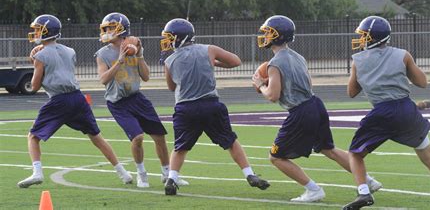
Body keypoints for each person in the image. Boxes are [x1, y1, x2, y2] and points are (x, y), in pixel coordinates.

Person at [252, 15, 381, 203]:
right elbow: (306, 83)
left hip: (300, 111)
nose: (264, 35)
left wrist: (260, 84)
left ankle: (313, 190)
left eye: (268, 32)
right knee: (329, 149)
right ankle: (368, 180)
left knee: (276, 157)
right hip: (315, 104)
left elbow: (272, 95)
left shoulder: (274, 63)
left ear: (277, 35)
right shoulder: (298, 57)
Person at [343, 16, 430, 210]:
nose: (361, 39)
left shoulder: (358, 60)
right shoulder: (403, 54)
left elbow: (351, 92)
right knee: (428, 156)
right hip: (405, 109)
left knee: (355, 154)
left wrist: (367, 70)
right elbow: (422, 82)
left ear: (373, 37)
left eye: (364, 36)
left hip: (381, 113)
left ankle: (364, 193)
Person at [18, 14, 133, 188]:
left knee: (33, 137)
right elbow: (58, 63)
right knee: (96, 137)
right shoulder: (70, 51)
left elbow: (34, 86)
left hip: (59, 100)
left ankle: (37, 172)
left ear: (47, 31)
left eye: (37, 30)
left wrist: (35, 61)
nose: (34, 32)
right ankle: (123, 173)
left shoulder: (41, 56)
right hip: (78, 98)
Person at [161, 18, 270, 195]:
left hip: (185, 108)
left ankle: (172, 179)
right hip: (210, 104)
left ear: (179, 37)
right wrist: (215, 62)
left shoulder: (169, 60)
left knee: (180, 147)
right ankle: (249, 174)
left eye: (168, 37)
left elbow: (171, 87)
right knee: (231, 142)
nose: (166, 41)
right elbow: (236, 61)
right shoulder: (209, 49)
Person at [95, 12, 188, 188]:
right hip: (118, 102)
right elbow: (103, 79)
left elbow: (145, 76)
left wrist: (138, 55)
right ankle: (141, 173)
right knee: (137, 137)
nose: (106, 31)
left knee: (159, 136)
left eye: (110, 27)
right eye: (105, 28)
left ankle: (167, 174)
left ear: (121, 29)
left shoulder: (133, 44)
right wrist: (120, 61)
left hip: (137, 98)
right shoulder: (103, 54)